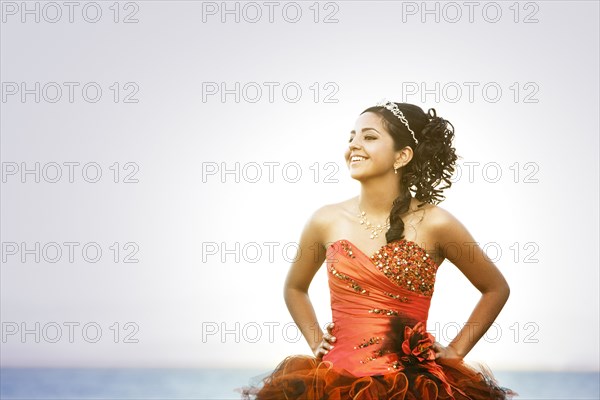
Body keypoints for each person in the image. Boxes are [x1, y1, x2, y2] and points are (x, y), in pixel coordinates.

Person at [238, 100, 518, 399]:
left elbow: (495, 288)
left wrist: (455, 351)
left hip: (414, 387)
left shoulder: (437, 223)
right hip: (333, 385)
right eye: (351, 137)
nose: (354, 145)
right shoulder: (325, 220)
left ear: (403, 155)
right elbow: (294, 288)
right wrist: (316, 340)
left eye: (369, 137)